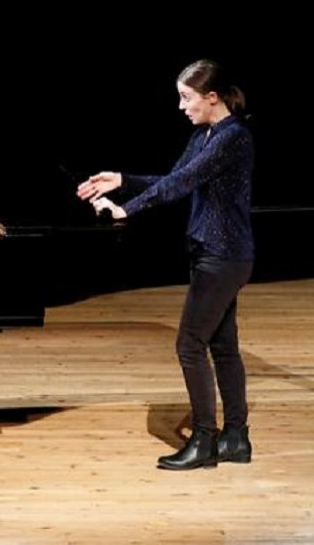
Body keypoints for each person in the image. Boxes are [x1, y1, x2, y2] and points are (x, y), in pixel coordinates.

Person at [76, 59, 255, 471]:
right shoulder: (207, 134)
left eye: (186, 97)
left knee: (189, 345)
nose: (181, 106)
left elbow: (178, 186)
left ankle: (205, 440)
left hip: (223, 255)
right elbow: (174, 176)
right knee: (223, 346)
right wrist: (122, 180)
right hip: (215, 254)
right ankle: (236, 439)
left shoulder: (234, 138)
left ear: (212, 97)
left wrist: (127, 211)